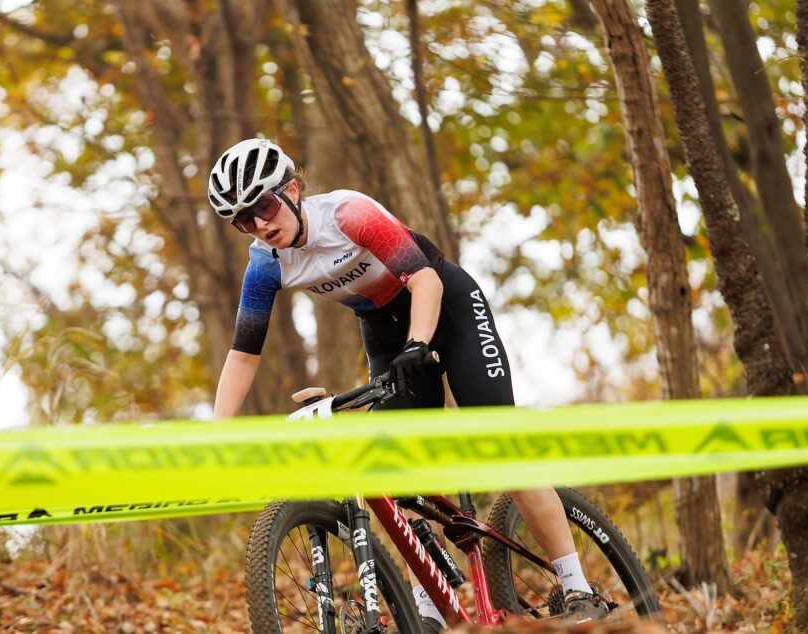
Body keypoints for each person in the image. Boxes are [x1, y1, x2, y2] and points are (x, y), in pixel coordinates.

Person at [209, 138, 608, 630]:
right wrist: (217, 434)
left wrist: (419, 343)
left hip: (447, 306)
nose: (259, 225)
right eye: (243, 221)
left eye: (265, 207)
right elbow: (243, 355)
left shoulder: (349, 214)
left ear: (292, 190)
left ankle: (575, 585)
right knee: (394, 465)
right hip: (384, 330)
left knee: (503, 443)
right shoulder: (265, 263)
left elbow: (425, 281)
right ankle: (429, 600)